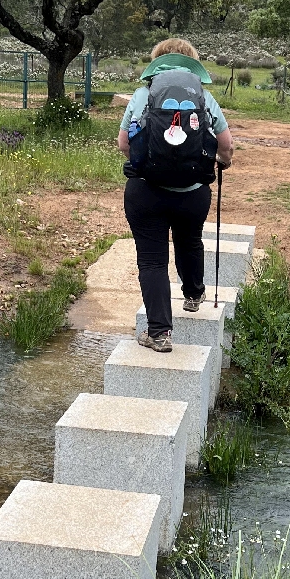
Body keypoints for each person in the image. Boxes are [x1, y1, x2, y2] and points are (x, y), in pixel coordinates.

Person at [118, 37, 233, 353]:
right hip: (193, 193)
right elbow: (226, 146)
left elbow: (124, 145)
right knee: (190, 240)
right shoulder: (204, 98)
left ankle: (159, 333)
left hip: (145, 191)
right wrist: (223, 162)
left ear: (156, 63)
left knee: (153, 260)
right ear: (193, 65)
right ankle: (194, 295)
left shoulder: (142, 95)